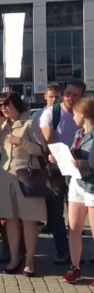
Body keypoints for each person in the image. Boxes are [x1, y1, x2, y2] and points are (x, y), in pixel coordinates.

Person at [0, 91, 46, 277]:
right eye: (0, 105)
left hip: (26, 177)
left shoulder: (29, 122)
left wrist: (21, 141)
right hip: (5, 177)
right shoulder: (1, 124)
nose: (3, 108)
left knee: (28, 220)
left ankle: (29, 260)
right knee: (10, 220)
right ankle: (14, 258)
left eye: (6, 104)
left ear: (16, 105)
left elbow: (41, 149)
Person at [40, 80, 86, 264]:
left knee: (79, 213)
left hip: (80, 170)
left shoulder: (86, 115)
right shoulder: (52, 113)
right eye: (68, 93)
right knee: (56, 211)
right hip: (56, 168)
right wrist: (54, 154)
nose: (70, 98)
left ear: (82, 96)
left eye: (75, 95)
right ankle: (63, 250)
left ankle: (77, 252)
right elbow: (47, 139)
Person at [61, 98, 94, 285]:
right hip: (76, 183)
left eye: (75, 113)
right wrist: (61, 159)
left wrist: (85, 164)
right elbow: (75, 156)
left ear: (83, 114)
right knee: (73, 228)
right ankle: (75, 269)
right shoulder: (79, 133)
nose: (73, 116)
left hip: (92, 186)